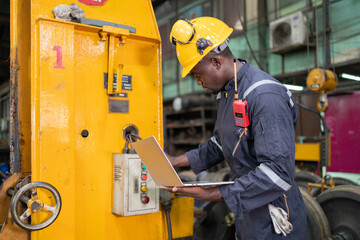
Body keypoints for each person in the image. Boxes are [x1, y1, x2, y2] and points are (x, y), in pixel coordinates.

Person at [161, 17, 307, 239]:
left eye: (198, 74)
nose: (198, 82)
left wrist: (213, 193)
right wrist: (174, 161)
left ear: (217, 62)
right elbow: (221, 144)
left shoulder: (264, 96)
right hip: (248, 210)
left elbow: (278, 172)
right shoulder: (227, 94)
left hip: (275, 215)